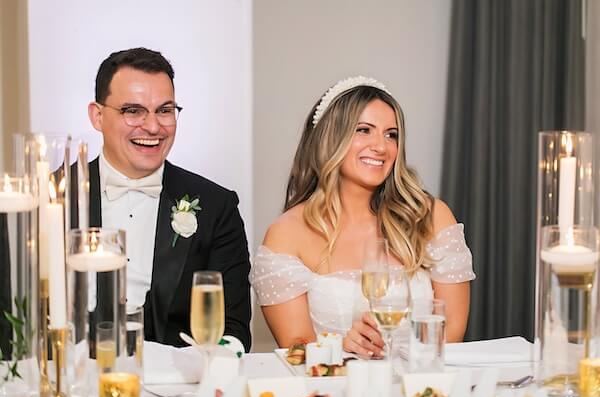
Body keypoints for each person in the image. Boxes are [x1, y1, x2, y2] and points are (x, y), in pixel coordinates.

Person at [250, 76, 475, 358]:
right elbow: (295, 346)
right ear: (330, 138)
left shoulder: (431, 217)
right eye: (364, 130)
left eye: (391, 134)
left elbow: (452, 329)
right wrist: (339, 347)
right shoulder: (287, 234)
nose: (381, 146)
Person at [83, 47, 251, 351]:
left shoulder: (216, 207)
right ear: (97, 115)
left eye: (164, 110)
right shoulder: (48, 199)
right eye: (133, 111)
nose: (152, 127)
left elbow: (235, 331)